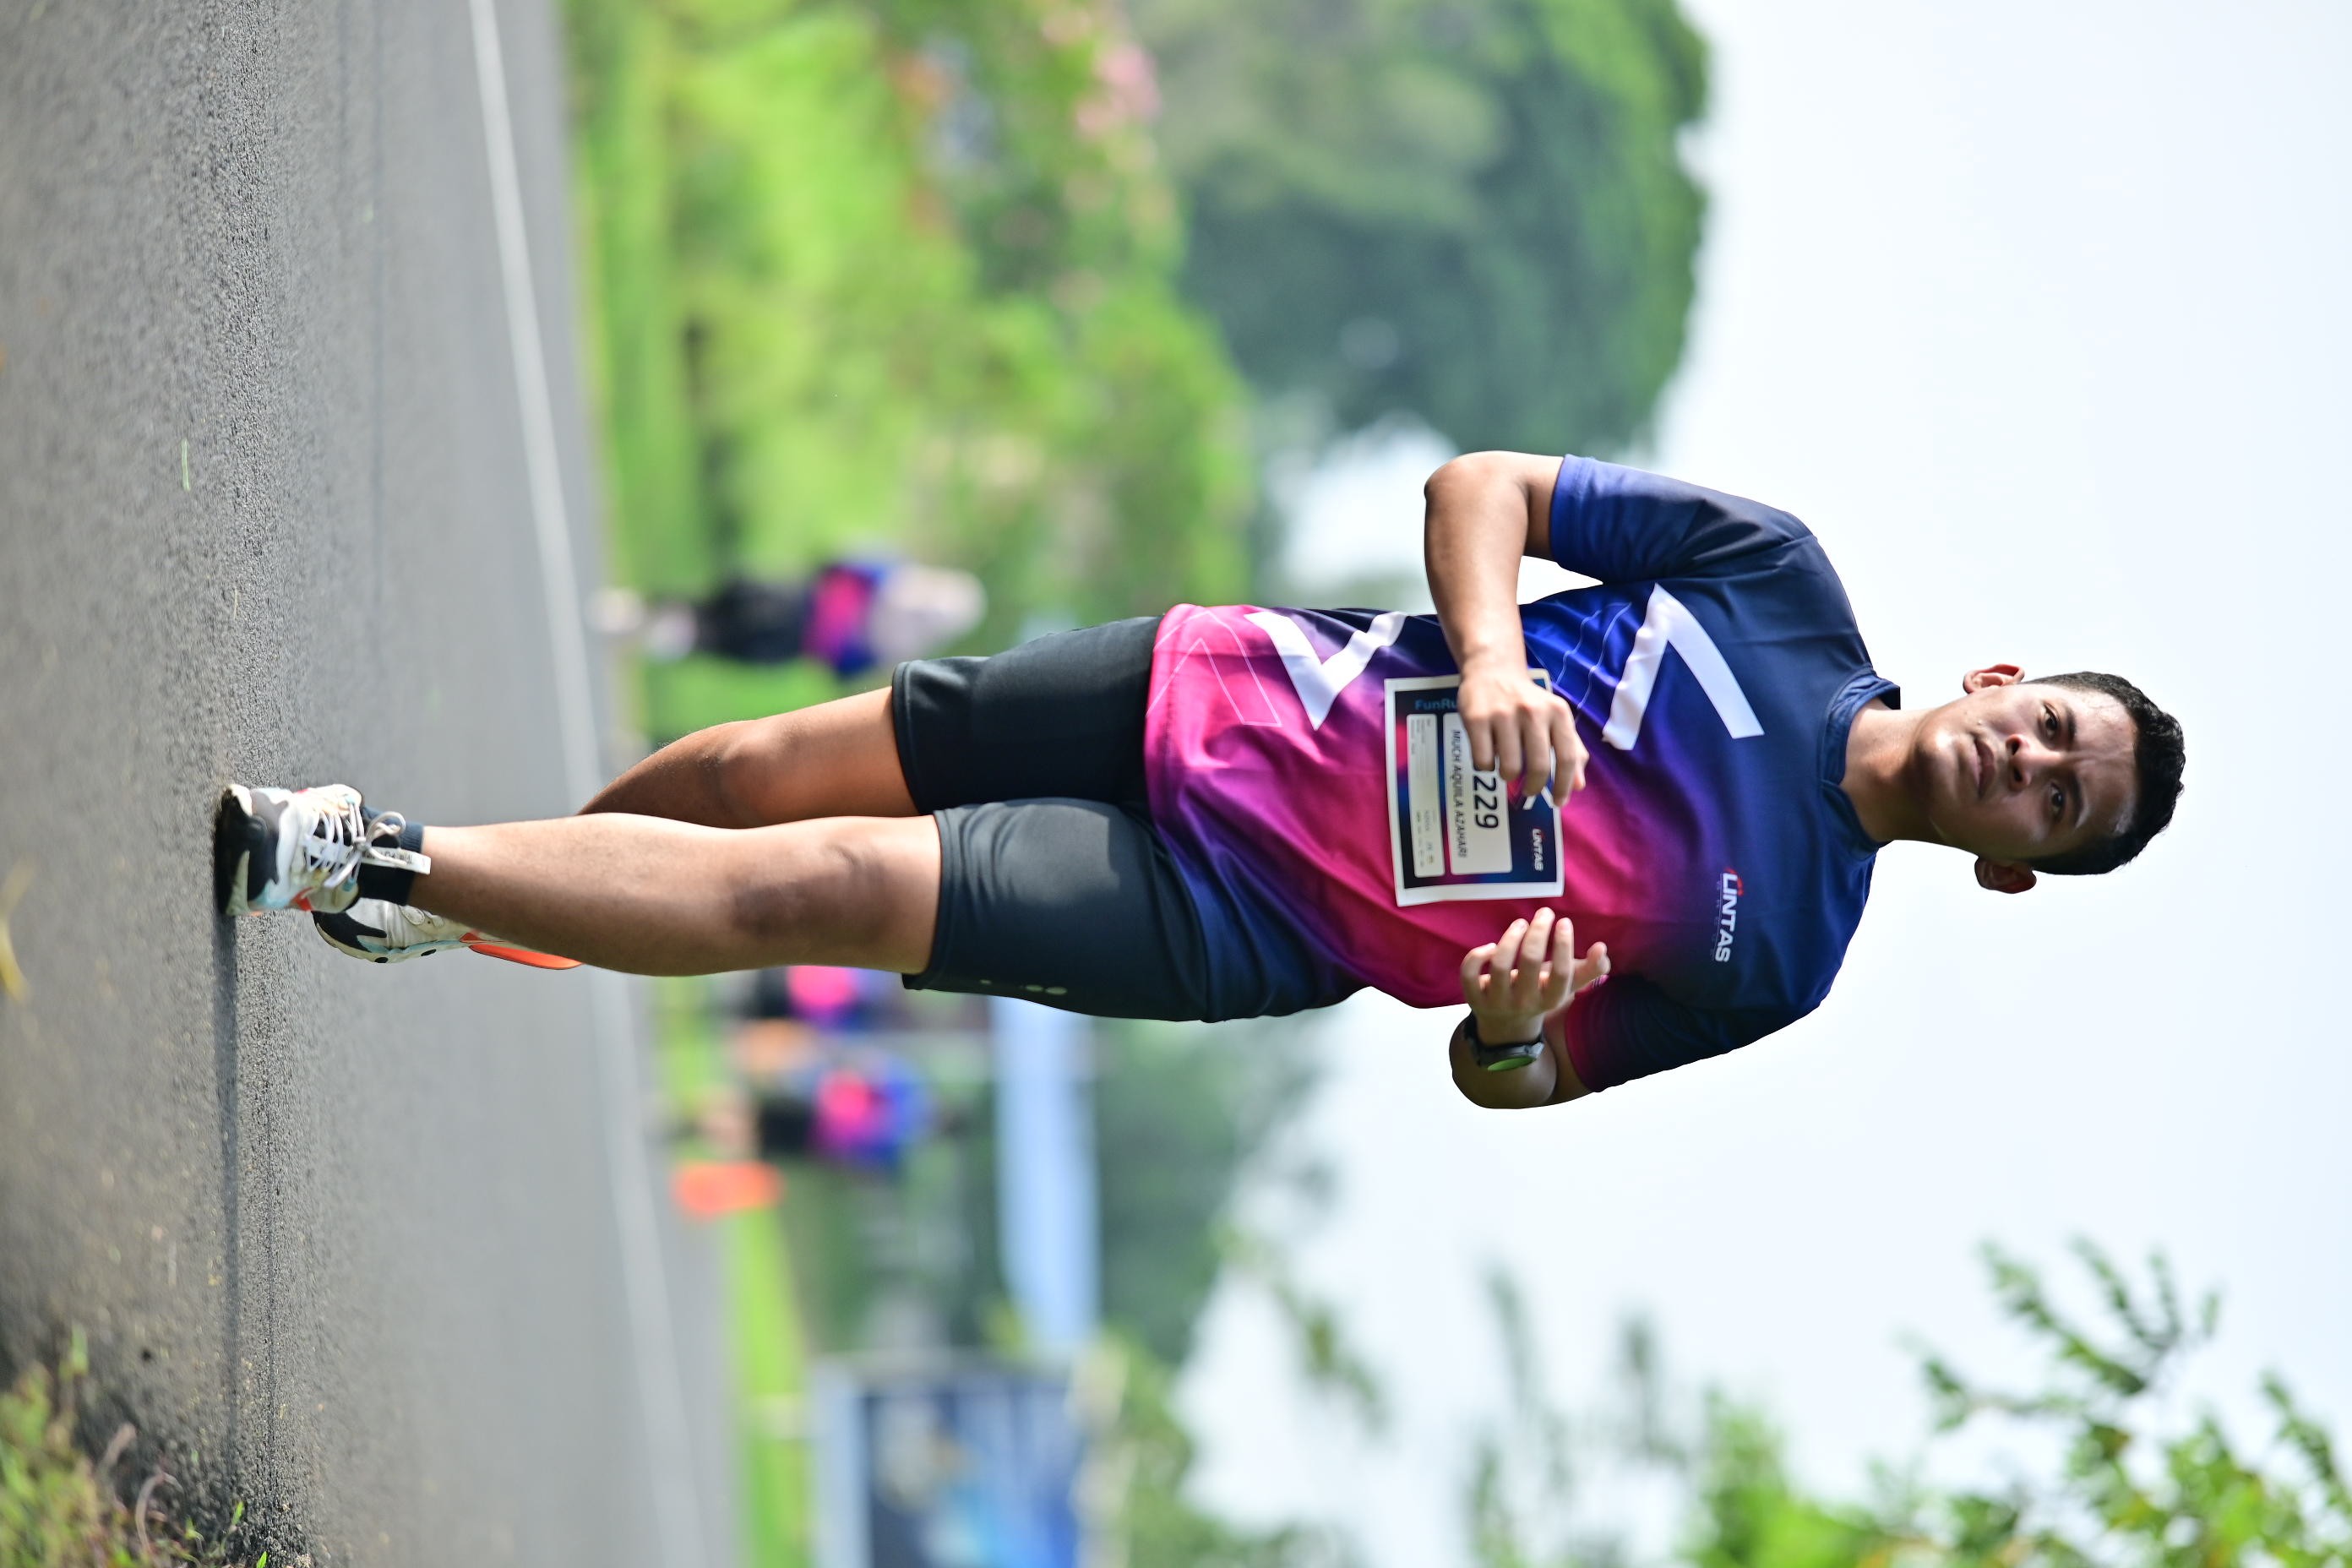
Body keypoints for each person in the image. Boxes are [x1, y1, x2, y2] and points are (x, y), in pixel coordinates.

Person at [215, 452, 2186, 1109]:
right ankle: (494, 890)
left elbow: (1513, 1082)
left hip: (1242, 916)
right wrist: (1498, 658)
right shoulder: (1779, 582)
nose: (2027, 766)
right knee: (745, 770)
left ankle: (381, 863)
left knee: (824, 888)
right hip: (1221, 691)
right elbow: (1481, 490)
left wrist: (1509, 1025)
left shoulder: (1786, 961)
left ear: (2016, 868)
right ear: (2002, 679)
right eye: (2050, 730)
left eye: (2056, 803)